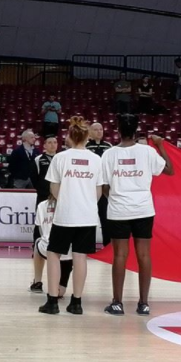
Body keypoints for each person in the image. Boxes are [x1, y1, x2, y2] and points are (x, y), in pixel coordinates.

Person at [100, 114, 174, 316]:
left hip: (118, 210)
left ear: (118, 130)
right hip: (143, 209)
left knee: (119, 255)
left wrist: (116, 197)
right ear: (136, 131)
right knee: (144, 255)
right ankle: (143, 304)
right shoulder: (148, 151)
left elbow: (104, 186)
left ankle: (117, 303)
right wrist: (160, 145)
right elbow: (169, 170)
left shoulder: (109, 154)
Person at [40, 119, 105, 315]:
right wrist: (85, 203)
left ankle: (52, 301)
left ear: (69, 136)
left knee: (54, 254)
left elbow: (54, 188)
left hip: (65, 215)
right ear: (87, 137)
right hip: (87, 216)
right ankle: (76, 302)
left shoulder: (60, 158)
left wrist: (68, 201)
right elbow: (98, 191)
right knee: (80, 257)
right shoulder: (96, 159)